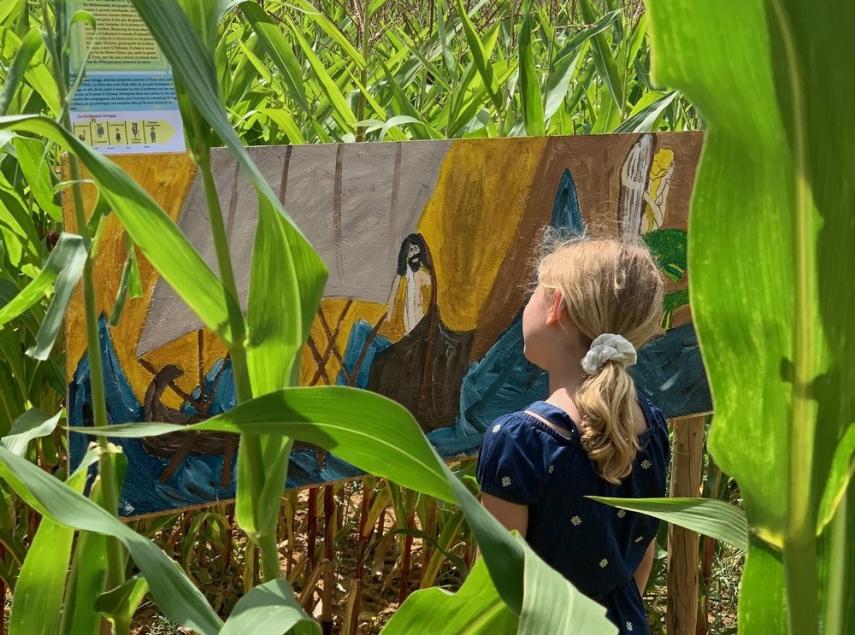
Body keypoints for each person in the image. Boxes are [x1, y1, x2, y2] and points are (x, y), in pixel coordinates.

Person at [477, 236, 670, 634]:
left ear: (557, 307)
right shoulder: (650, 423)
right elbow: (641, 558)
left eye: (535, 292)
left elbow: (497, 590)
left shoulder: (520, 441)